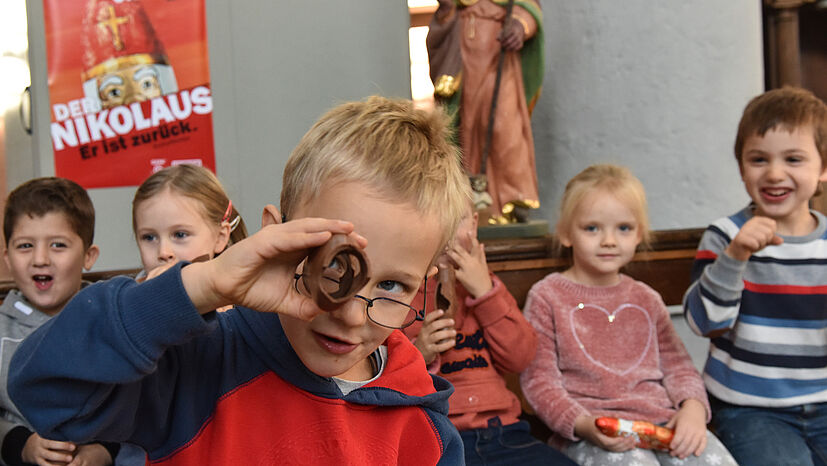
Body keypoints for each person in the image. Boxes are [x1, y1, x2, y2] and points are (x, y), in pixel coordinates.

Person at [8, 96, 469, 465]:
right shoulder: (202, 363)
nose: (350, 315)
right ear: (277, 235)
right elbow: (48, 394)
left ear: (421, 284)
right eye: (335, 268)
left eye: (391, 287)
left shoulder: (422, 425)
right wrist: (202, 286)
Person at [520, 164, 737, 465]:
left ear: (639, 235)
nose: (609, 240)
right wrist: (584, 425)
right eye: (592, 228)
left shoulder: (646, 298)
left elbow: (679, 368)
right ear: (566, 233)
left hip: (663, 422)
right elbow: (539, 381)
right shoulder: (548, 296)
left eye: (623, 228)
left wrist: (693, 409)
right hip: (592, 431)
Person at [683, 87, 827, 465]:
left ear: (823, 169)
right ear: (742, 169)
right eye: (759, 159)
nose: (775, 173)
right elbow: (704, 323)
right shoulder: (725, 236)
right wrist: (735, 257)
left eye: (794, 159)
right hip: (750, 407)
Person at [402, 197, 575, 465]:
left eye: (455, 220)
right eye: (435, 219)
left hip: (505, 432)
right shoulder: (403, 294)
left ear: (473, 224)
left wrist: (485, 293)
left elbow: (521, 357)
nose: (447, 234)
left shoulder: (488, 287)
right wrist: (419, 352)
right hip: (439, 436)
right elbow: (386, 375)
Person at [0, 178, 117, 465]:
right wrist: (23, 446)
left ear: (88, 256)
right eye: (25, 245)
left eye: (58, 245)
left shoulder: (112, 319)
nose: (40, 259)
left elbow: (137, 404)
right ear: (7, 258)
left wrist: (103, 451)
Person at [427, 0, 543, 224]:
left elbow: (528, 7)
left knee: (505, 127)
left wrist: (519, 26)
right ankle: (470, 204)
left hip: (500, 58)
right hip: (464, 63)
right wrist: (446, 10)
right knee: (466, 129)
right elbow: (443, 20)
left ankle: (511, 199)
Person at [132, 164, 247, 276]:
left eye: (180, 234)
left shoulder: (242, 293)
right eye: (149, 237)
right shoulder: (129, 293)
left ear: (219, 238)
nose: (164, 253)